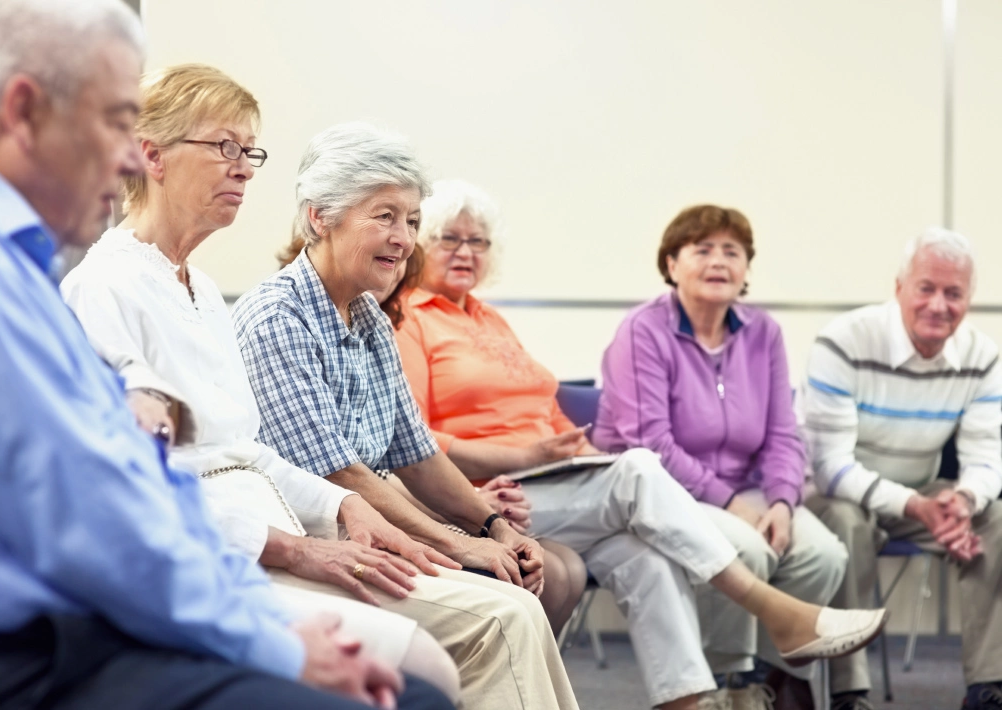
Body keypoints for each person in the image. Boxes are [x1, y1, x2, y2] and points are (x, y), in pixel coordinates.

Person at [0, 2, 452, 710]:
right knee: (414, 689)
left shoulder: (34, 269)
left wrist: (339, 506)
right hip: (38, 638)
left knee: (431, 666)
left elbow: (193, 463)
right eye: (114, 121)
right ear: (23, 111)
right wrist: (266, 628)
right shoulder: (17, 274)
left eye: (248, 152)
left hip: (148, 576)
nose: (130, 154)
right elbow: (96, 518)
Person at [393, 180, 886, 710]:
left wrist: (580, 452)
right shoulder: (409, 319)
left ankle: (689, 704)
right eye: (449, 239)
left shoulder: (488, 318)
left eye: (479, 242)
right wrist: (526, 460)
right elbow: (417, 442)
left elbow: (545, 415)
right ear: (421, 244)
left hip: (550, 486)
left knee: (646, 557)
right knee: (639, 467)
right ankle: (777, 612)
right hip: (483, 495)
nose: (465, 252)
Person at [233, 122, 579, 709]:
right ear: (320, 217)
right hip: (318, 540)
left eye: (413, 221)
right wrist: (461, 545)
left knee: (529, 580)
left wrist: (493, 524)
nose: (403, 238)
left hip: (375, 522)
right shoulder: (276, 317)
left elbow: (417, 452)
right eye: (385, 216)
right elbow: (340, 475)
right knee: (510, 611)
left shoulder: (366, 314)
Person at [594, 204, 850, 701]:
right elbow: (651, 442)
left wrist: (781, 501)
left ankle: (777, 679)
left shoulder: (764, 332)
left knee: (823, 554)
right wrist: (733, 503)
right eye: (702, 249)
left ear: (746, 268)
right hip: (661, 491)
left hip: (750, 489)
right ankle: (727, 680)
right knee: (745, 547)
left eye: (732, 251)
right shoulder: (642, 330)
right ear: (671, 264)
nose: (719, 261)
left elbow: (782, 433)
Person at [321, 241, 589, 636]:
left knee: (569, 567)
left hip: (439, 494)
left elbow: (413, 453)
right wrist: (474, 520)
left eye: (478, 242)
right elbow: (352, 474)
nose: (396, 256)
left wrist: (488, 519)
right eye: (450, 240)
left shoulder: (374, 324)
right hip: (354, 519)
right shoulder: (308, 319)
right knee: (535, 578)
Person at [802, 228, 1002, 710]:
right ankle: (850, 693)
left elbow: (987, 458)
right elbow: (829, 466)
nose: (939, 305)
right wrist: (916, 504)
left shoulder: (983, 357)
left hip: (924, 492)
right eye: (926, 288)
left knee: (996, 522)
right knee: (847, 527)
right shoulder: (843, 341)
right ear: (899, 289)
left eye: (953, 293)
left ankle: (988, 689)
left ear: (969, 299)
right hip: (840, 494)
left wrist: (964, 500)